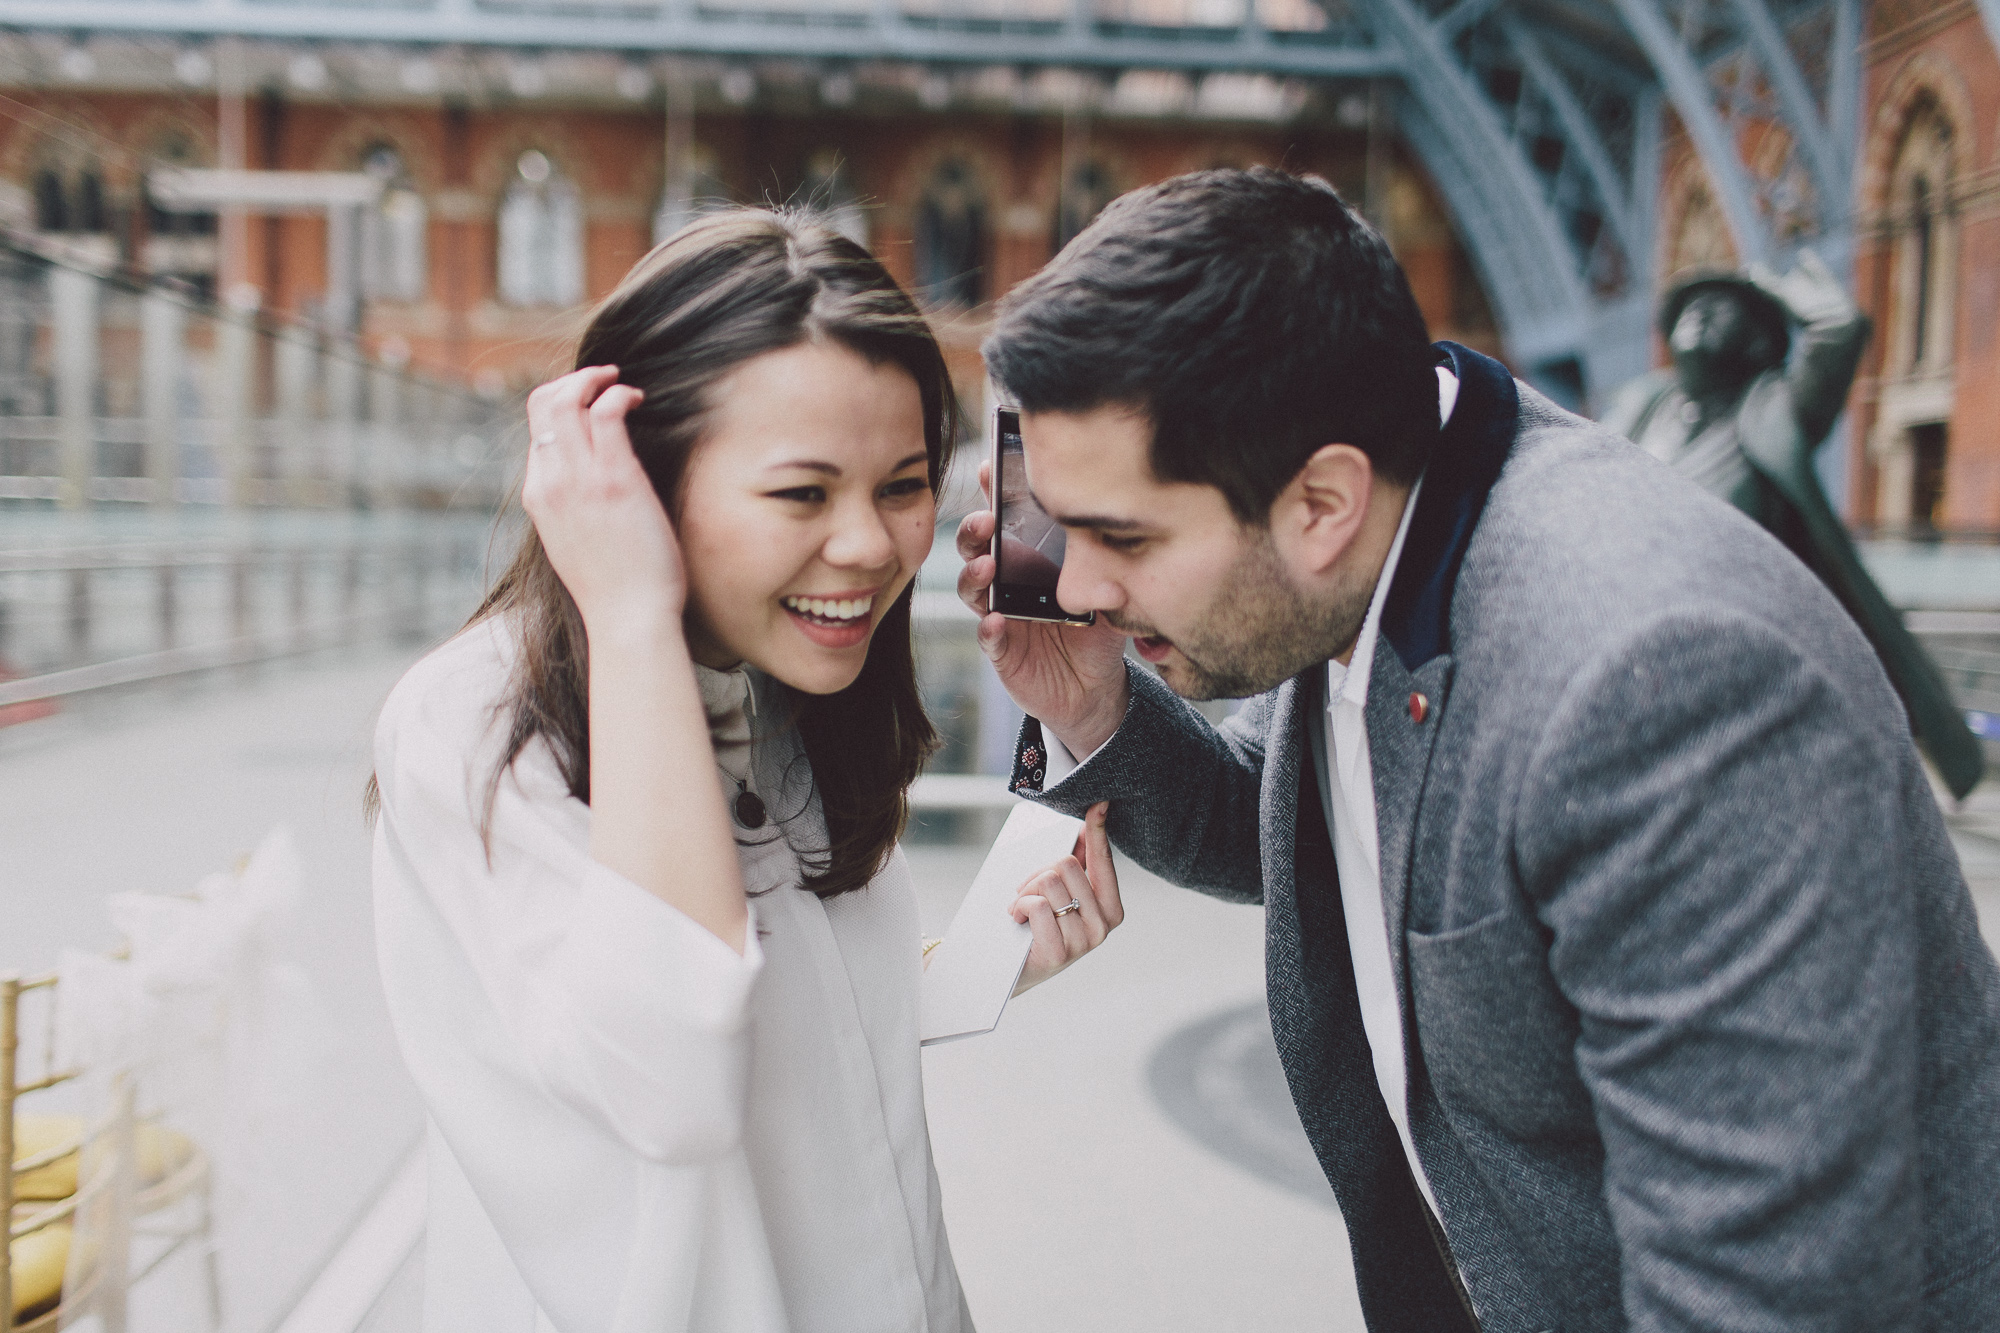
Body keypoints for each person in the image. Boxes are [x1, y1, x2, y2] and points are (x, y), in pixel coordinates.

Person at [957, 167, 2000, 1332]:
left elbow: (1767, 1294)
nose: (1080, 586)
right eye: (1065, 525)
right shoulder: (1363, 529)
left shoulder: (1664, 685)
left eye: (1123, 536)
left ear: (1321, 504)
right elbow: (1308, 824)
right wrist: (1093, 708)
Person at [369, 209, 1123, 1333]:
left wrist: (990, 943)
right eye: (801, 493)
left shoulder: (788, 680)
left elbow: (795, 1010)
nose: (869, 545)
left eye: (903, 484)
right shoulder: (476, 724)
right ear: (636, 477)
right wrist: (630, 612)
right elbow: (669, 1077)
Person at [1600, 253, 1983, 798]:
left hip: (1731, 647)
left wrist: (1774, 289)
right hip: (1621, 632)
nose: (1701, 312)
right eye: (1691, 305)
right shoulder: (1642, 405)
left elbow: (1840, 329)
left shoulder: (1774, 410)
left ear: (1759, 343)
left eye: (1723, 307)